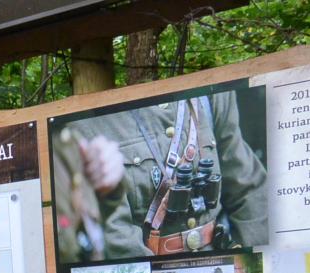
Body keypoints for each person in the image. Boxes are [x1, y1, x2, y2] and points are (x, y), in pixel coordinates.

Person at [59, 89, 268, 260]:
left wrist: (249, 263)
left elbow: (249, 188)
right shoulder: (88, 121)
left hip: (223, 259)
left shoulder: (209, 95)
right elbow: (115, 229)